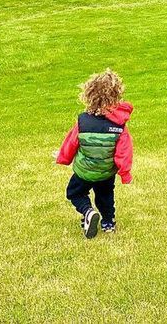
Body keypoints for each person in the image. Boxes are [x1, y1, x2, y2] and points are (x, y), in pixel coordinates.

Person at [55, 69, 134, 238]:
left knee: (75, 193)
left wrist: (62, 158)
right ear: (116, 96)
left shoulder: (83, 122)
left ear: (89, 95)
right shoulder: (119, 126)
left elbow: (71, 143)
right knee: (105, 196)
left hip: (84, 172)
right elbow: (124, 152)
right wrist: (125, 173)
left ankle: (88, 212)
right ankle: (108, 223)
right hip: (106, 173)